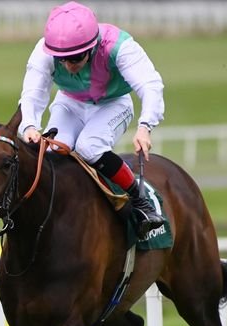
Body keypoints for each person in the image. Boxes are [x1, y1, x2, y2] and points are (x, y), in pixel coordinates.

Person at [18, 1, 164, 235]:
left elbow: (150, 85)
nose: (67, 65)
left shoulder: (120, 47)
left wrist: (145, 125)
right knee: (54, 150)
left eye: (74, 59)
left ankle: (140, 202)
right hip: (70, 102)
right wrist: (29, 126)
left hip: (113, 103)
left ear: (92, 47)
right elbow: (33, 94)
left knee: (89, 146)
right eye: (61, 59)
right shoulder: (44, 51)